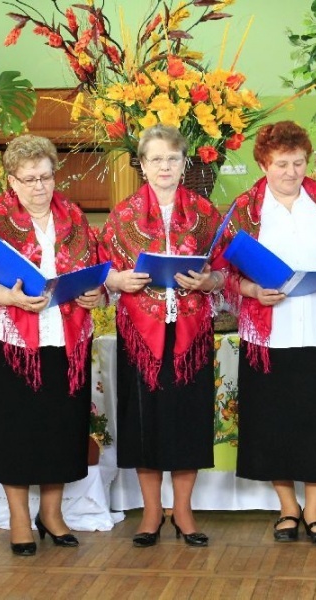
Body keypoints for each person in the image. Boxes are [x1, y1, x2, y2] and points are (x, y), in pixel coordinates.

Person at [0, 134, 101, 556]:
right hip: (10, 339)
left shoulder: (74, 216)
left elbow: (94, 271)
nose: (40, 187)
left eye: (46, 177)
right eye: (29, 179)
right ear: (11, 181)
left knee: (61, 427)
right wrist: (10, 297)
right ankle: (20, 518)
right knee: (15, 431)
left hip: (66, 336)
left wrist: (96, 292)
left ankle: (53, 514)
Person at [99, 125, 226, 548]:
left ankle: (184, 512)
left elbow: (224, 270)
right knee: (144, 421)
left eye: (173, 159)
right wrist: (118, 279)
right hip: (140, 332)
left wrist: (209, 282)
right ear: (142, 165)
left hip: (191, 331)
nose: (165, 167)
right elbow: (103, 272)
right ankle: (152, 512)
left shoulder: (206, 214)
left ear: (185, 163)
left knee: (187, 420)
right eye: (156, 159)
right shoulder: (121, 215)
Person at [228, 121, 316, 546]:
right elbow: (221, 273)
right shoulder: (246, 209)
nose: (291, 172)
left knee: (315, 421)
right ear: (263, 163)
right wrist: (249, 289)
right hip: (267, 335)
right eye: (281, 164)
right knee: (272, 422)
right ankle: (287, 507)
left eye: (299, 163)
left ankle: (315, 510)